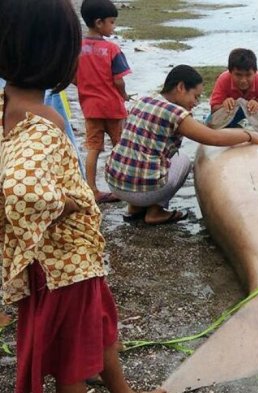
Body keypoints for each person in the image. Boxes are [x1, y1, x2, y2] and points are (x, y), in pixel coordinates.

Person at [0, 1, 164, 392]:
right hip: (68, 264)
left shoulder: (7, 107)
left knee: (101, 329)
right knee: (73, 360)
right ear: (58, 55)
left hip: (62, 262)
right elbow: (23, 194)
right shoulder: (44, 120)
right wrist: (70, 203)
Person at [105, 65, 258, 225]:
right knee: (183, 161)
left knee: (144, 154)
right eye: (195, 96)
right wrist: (249, 136)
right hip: (142, 192)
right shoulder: (175, 113)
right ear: (181, 87)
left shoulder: (143, 100)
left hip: (114, 183)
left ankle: (134, 208)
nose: (196, 102)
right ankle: (155, 211)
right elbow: (213, 138)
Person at [76, 0, 131, 203]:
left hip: (90, 108)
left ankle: (92, 189)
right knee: (121, 147)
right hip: (113, 107)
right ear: (99, 23)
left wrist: (86, 87)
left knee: (93, 148)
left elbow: (73, 76)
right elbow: (118, 79)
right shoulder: (112, 49)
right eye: (112, 22)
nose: (113, 26)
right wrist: (124, 95)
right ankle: (125, 187)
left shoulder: (77, 48)